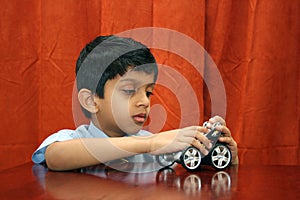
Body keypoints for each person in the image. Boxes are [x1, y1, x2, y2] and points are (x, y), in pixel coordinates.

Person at [32, 35, 238, 171]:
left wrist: (221, 157)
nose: (144, 102)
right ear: (90, 100)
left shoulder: (157, 148)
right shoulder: (70, 139)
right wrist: (148, 144)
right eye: (130, 91)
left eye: (149, 93)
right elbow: (56, 157)